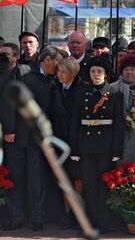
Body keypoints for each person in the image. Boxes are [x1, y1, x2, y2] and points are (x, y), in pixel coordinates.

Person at [4, 45, 59, 231]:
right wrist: (9, 129)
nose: (58, 66)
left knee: (36, 179)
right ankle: (16, 216)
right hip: (17, 136)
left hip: (37, 139)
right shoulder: (22, 70)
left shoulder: (51, 80)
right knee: (15, 177)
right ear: (48, 60)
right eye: (57, 62)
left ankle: (38, 217)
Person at [69, 54, 125, 233]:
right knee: (89, 184)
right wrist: (75, 147)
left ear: (106, 73)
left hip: (106, 145)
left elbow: (119, 124)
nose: (96, 74)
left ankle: (104, 222)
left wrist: (117, 149)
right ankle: (91, 221)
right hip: (86, 144)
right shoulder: (82, 93)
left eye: (99, 71)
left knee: (104, 184)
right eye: (93, 71)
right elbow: (75, 123)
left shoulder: (115, 94)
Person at [51, 56, 84, 228]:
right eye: (58, 71)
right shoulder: (55, 87)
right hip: (59, 137)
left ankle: (77, 213)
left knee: (77, 177)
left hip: (75, 138)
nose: (59, 75)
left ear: (72, 73)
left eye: (63, 72)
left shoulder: (80, 89)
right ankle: (67, 213)